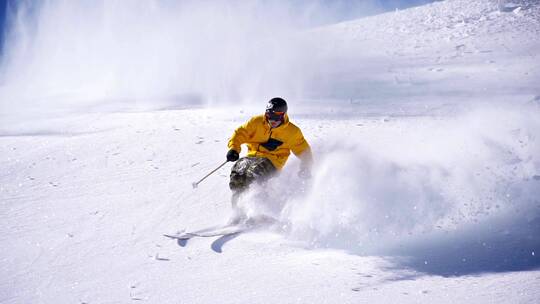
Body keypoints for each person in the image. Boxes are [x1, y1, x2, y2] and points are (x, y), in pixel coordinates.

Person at [226, 97, 313, 208]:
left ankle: (259, 208)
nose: (273, 120)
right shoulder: (256, 122)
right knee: (237, 174)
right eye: (270, 116)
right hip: (251, 156)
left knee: (254, 173)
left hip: (272, 161)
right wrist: (234, 148)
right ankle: (238, 211)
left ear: (284, 115)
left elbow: (303, 150)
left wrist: (306, 166)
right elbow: (240, 133)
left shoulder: (292, 132)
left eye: (276, 117)